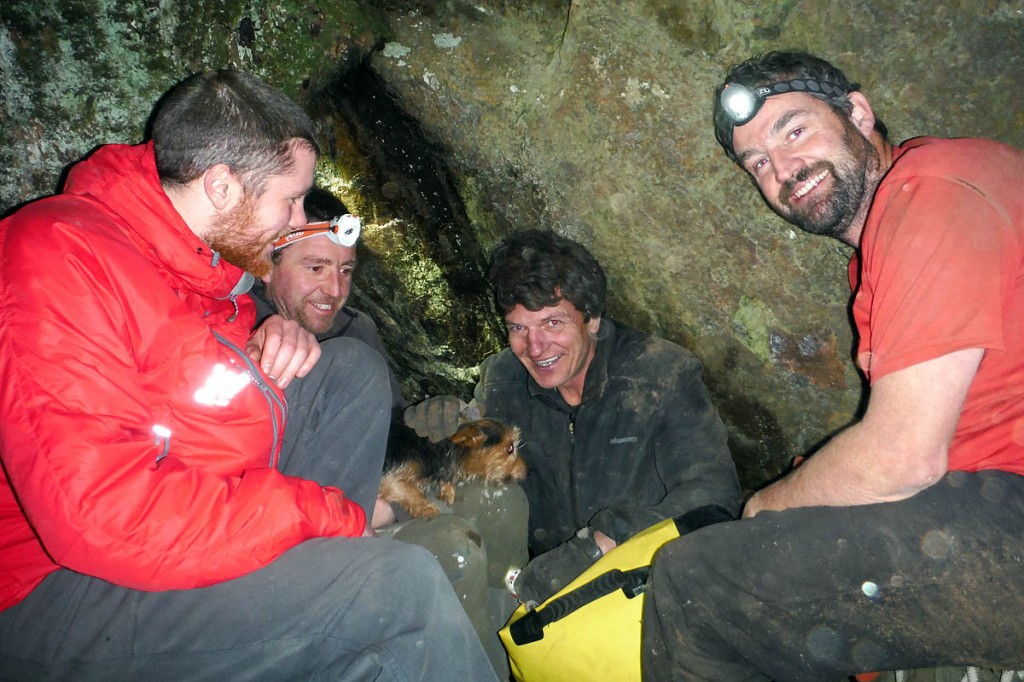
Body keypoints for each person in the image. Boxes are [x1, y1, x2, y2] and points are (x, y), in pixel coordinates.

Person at [0, 68, 496, 681]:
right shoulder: (56, 256)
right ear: (221, 187)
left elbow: (189, 388)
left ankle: (322, 604)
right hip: (58, 591)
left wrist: (267, 338)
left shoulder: (193, 266)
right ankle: (347, 597)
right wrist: (324, 514)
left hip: (174, 516)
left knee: (348, 371)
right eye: (288, 201)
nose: (295, 221)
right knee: (400, 590)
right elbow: (103, 519)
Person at [641, 50, 1024, 681]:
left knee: (695, 585)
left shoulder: (934, 189)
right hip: (987, 496)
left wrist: (768, 508)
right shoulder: (887, 241)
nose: (783, 170)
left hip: (1009, 502)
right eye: (757, 163)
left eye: (793, 130)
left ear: (859, 111)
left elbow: (904, 455)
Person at [249, 186, 529, 675]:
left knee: (503, 501)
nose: (334, 289)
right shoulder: (244, 331)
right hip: (306, 533)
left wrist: (434, 437)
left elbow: (390, 434)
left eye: (345, 271)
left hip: (378, 498)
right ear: (267, 262)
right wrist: (377, 507)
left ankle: (510, 656)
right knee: (454, 548)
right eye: (315, 268)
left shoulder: (356, 330)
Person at [406, 229, 742, 604]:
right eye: (519, 328)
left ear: (593, 319)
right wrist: (445, 426)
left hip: (641, 584)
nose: (534, 348)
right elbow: (477, 456)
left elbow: (714, 492)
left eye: (553, 324)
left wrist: (600, 544)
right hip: (530, 585)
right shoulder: (505, 378)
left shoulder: (659, 375)